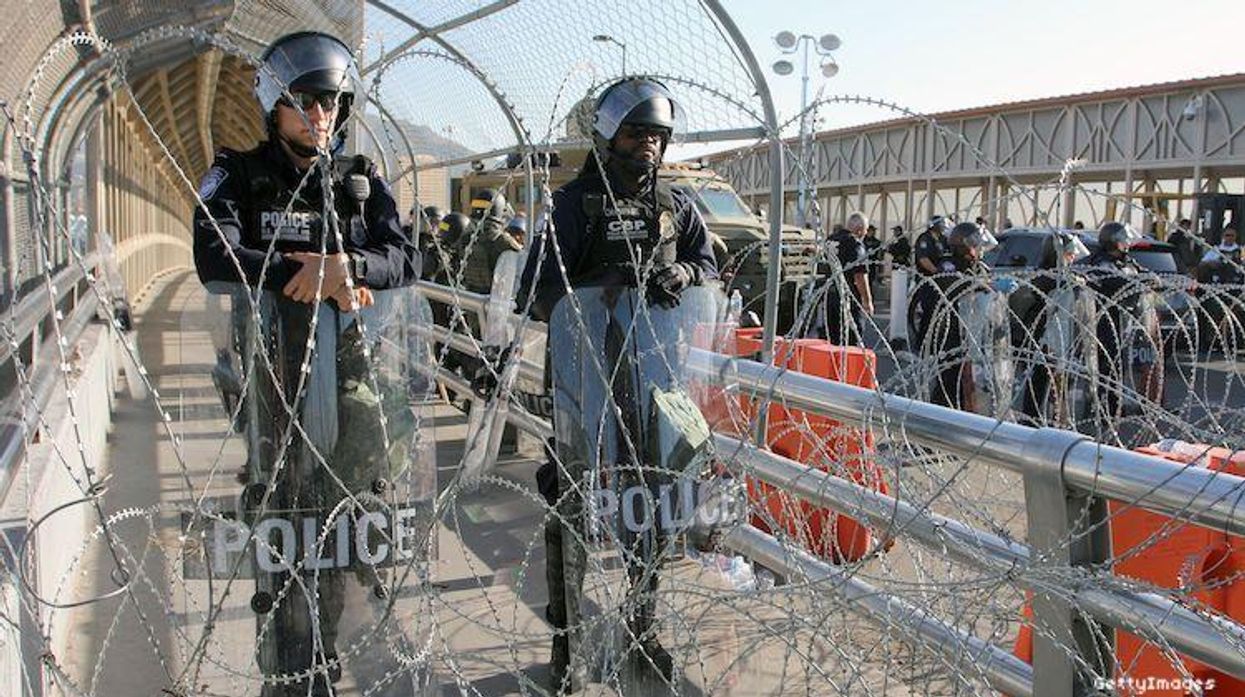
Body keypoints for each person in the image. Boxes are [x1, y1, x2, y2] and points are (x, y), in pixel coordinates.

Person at [192, 30, 419, 693]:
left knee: (341, 508)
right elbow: (213, 254)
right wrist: (302, 274)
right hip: (269, 369)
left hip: (346, 364)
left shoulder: (357, 182)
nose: (321, 114)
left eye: (332, 102)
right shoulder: (238, 175)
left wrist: (349, 268)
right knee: (282, 511)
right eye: (307, 100)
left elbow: (405, 257)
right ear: (276, 103)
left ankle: (323, 647)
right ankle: (286, 662)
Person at [517, 76, 716, 692]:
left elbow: (708, 263)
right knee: (572, 501)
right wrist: (596, 295)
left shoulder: (676, 205)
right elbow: (534, 291)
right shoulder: (574, 206)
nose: (647, 145)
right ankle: (566, 636)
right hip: (584, 383)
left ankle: (642, 624)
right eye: (635, 133)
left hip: (654, 381)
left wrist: (683, 274)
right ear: (608, 137)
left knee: (651, 503)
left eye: (656, 135)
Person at [1079, 221, 1152, 429]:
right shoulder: (1101, 262)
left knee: (1119, 366)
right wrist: (1137, 282)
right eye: (1123, 241)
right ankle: (1106, 410)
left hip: (1125, 319)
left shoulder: (1126, 261)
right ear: (1112, 241)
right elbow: (1114, 281)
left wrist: (1150, 280)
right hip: (1105, 320)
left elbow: (1145, 275)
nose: (1127, 245)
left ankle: (1115, 407)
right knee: (1107, 366)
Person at [926, 221, 996, 410]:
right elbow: (954, 285)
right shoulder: (948, 264)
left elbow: (986, 286)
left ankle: (966, 414)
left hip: (975, 332)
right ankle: (936, 415)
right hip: (952, 331)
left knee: (973, 383)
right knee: (949, 379)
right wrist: (985, 285)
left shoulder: (979, 266)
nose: (979, 249)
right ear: (963, 245)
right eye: (975, 244)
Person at [817, 212, 874, 345]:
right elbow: (859, 275)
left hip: (829, 295)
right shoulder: (854, 244)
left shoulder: (831, 240)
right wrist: (867, 301)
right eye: (865, 230)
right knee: (852, 339)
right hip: (848, 298)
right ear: (860, 230)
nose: (865, 234)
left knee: (832, 339)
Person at [910, 215, 952, 351]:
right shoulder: (925, 239)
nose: (943, 228)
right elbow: (923, 259)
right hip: (928, 279)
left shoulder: (943, 239)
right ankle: (921, 343)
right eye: (941, 225)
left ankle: (936, 342)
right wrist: (936, 271)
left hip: (941, 281)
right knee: (929, 311)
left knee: (939, 312)